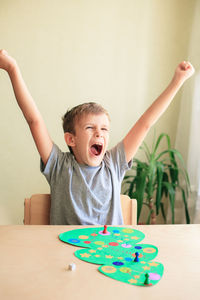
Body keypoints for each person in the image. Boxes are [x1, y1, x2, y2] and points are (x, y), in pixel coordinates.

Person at [0, 49, 195, 225]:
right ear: (71, 140)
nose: (99, 133)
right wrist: (12, 69)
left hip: (108, 255)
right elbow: (34, 120)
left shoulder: (114, 164)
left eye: (104, 129)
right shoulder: (59, 166)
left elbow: (145, 124)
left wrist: (177, 81)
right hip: (64, 253)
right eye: (90, 127)